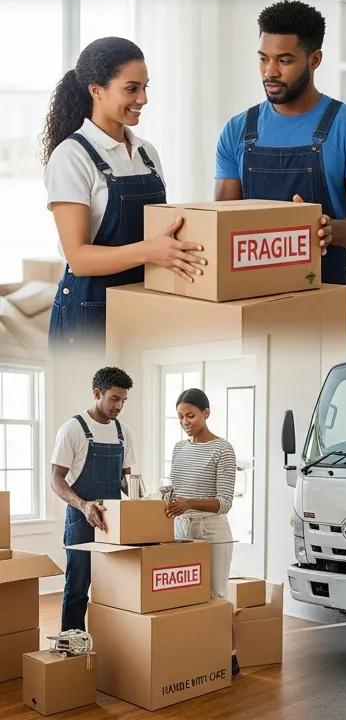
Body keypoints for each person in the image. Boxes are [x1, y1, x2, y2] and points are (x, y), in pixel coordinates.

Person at [214, 0, 346, 356]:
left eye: (285, 60)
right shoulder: (237, 130)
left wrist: (325, 229)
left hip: (325, 295)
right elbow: (222, 221)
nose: (270, 71)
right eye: (263, 58)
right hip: (252, 301)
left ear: (315, 59)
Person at [43, 37, 206, 348]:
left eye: (146, 87)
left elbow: (160, 234)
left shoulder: (147, 153)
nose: (143, 99)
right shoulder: (72, 156)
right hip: (89, 312)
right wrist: (150, 251)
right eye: (132, 89)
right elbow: (79, 258)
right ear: (96, 90)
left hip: (141, 303)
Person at [50, 366, 137, 631]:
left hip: (114, 525)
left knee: (115, 589)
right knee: (77, 588)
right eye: (114, 398)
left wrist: (144, 499)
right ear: (97, 393)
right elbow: (56, 480)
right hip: (81, 522)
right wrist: (83, 505)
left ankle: (114, 648)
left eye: (123, 400)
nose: (119, 406)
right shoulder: (73, 429)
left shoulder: (124, 433)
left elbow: (126, 481)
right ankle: (71, 648)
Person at [165, 388, 236, 599]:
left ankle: (219, 633)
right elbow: (176, 489)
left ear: (206, 413)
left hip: (211, 530)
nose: (185, 421)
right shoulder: (179, 448)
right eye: (180, 417)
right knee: (184, 595)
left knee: (216, 594)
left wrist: (188, 503)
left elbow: (224, 503)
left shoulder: (223, 449)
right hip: (180, 529)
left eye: (190, 415)